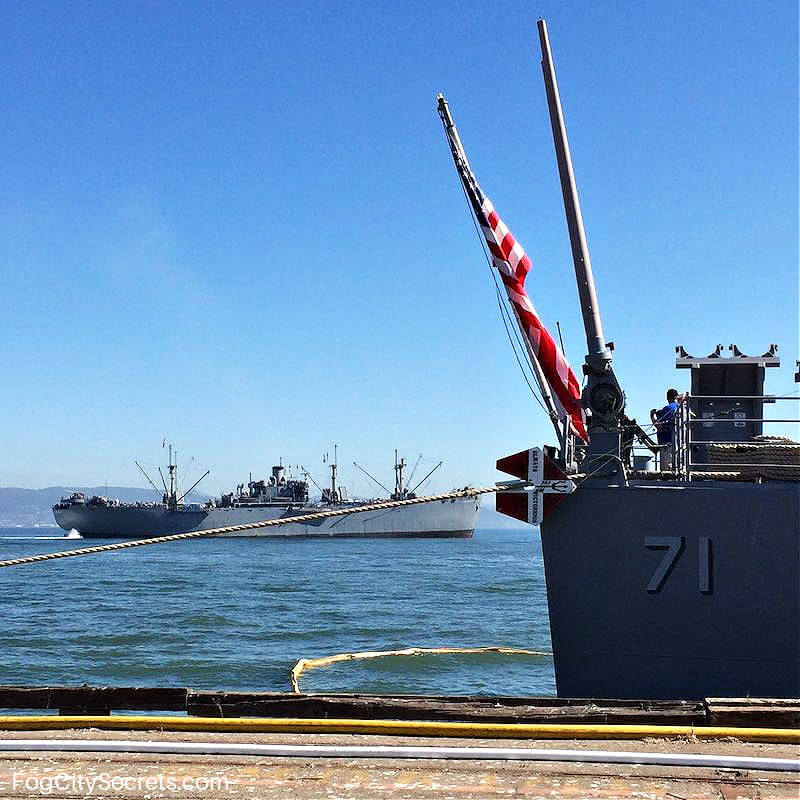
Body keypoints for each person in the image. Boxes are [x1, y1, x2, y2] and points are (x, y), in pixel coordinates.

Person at [651, 389, 680, 470]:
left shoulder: (668, 409)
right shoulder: (682, 409)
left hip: (667, 443)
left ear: (668, 397)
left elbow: (659, 426)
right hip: (681, 444)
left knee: (666, 471)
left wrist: (652, 416)